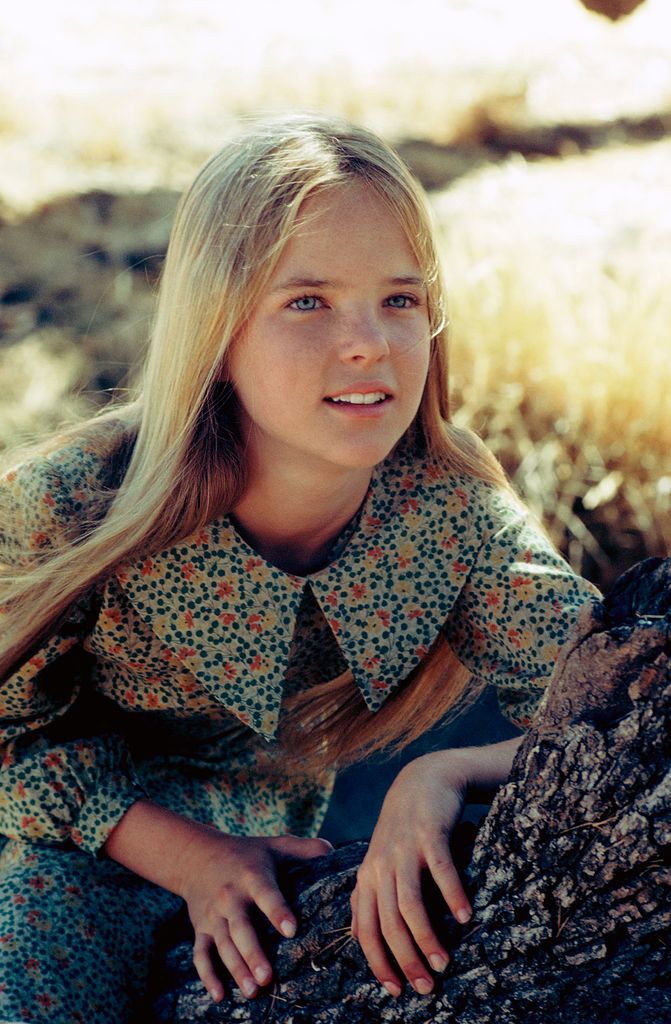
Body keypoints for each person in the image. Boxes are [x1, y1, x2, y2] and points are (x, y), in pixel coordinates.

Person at [0, 115, 598, 1023]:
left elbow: (618, 704)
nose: (368, 343)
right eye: (307, 301)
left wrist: (442, 774)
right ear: (218, 326)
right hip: (43, 865)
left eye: (400, 299)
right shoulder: (76, 500)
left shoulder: (448, 512)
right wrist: (190, 859)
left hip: (284, 876)